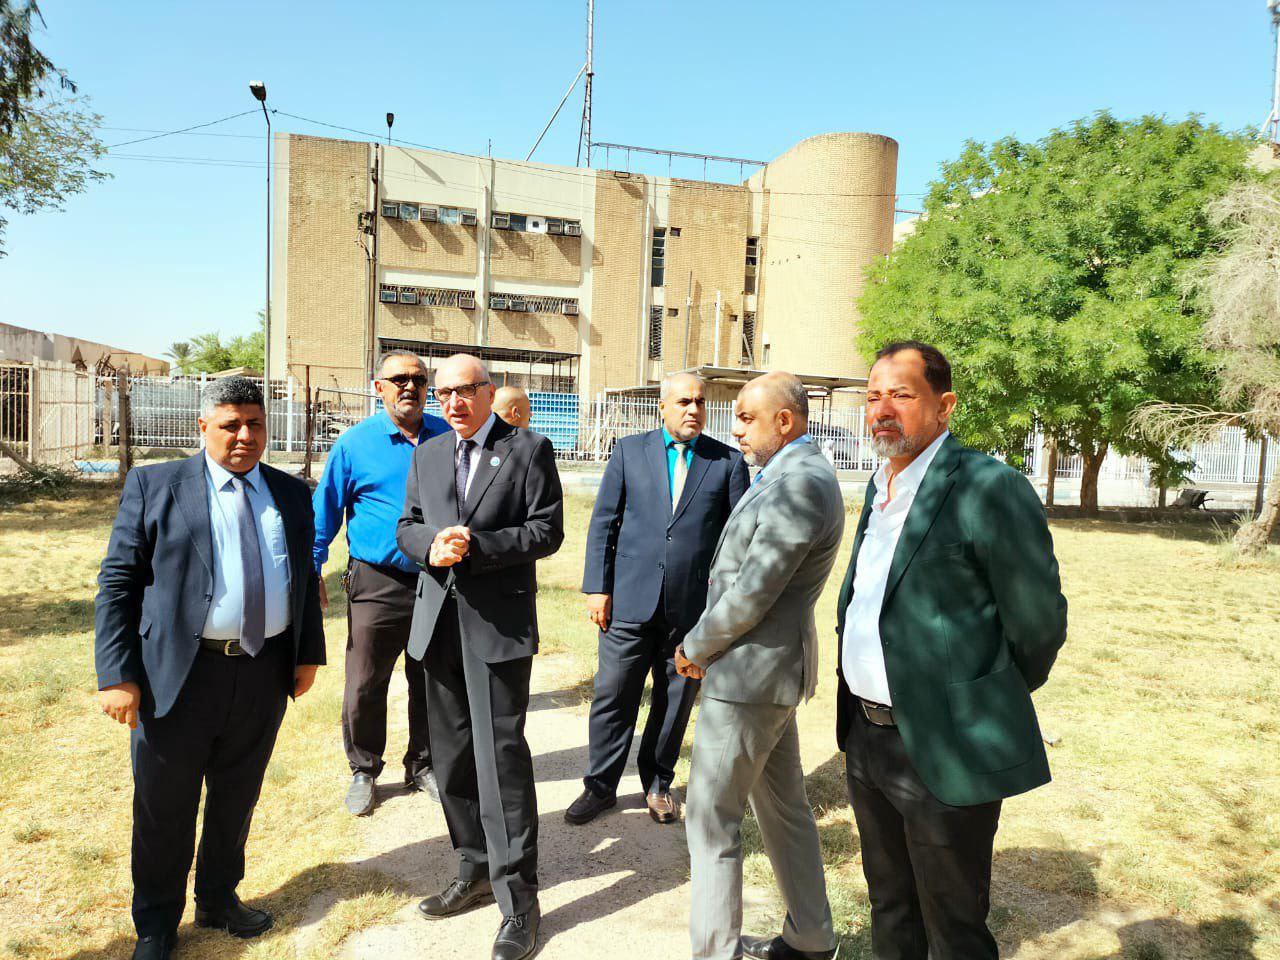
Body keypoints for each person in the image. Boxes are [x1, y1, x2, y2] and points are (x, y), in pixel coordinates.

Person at [835, 341, 1068, 960]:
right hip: (866, 734)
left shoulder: (987, 487)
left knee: (955, 924)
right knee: (889, 905)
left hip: (944, 740)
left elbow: (1038, 620)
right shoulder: (878, 484)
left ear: (944, 406)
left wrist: (982, 691)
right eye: (873, 396)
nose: (883, 409)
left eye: (902, 395)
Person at [95, 376, 325, 960]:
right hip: (176, 675)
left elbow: (302, 580)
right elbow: (117, 585)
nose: (244, 436)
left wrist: (305, 653)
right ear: (204, 427)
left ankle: (219, 898)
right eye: (230, 425)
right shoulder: (156, 485)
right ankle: (155, 924)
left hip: (261, 670)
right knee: (164, 805)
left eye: (255, 424)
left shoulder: (291, 493)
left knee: (236, 795)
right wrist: (116, 674)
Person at [396, 354, 564, 960]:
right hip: (437, 623)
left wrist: (479, 546)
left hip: (495, 627)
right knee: (452, 756)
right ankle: (472, 865)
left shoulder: (527, 449)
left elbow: (547, 531)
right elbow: (407, 525)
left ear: (488, 391)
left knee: (501, 762)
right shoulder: (430, 453)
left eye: (465, 391)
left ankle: (518, 901)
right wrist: (429, 545)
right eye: (444, 394)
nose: (453, 403)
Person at [677, 372, 843, 960]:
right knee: (783, 811)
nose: (735, 428)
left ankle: (715, 951)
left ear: (786, 420)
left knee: (710, 819)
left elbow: (753, 590)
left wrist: (695, 647)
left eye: (747, 417)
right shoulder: (794, 473)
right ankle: (811, 937)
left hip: (749, 678)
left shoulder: (802, 483)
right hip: (763, 677)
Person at [569, 372, 748, 826]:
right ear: (663, 407)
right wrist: (597, 587)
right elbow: (604, 523)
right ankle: (600, 786)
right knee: (613, 695)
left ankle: (657, 784)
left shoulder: (725, 461)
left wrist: (720, 610)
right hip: (628, 602)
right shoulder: (630, 452)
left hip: (690, 613)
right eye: (684, 401)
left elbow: (737, 540)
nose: (694, 409)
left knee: (675, 700)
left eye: (700, 402)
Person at [313, 350, 449, 816]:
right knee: (366, 681)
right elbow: (324, 513)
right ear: (379, 387)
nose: (409, 386)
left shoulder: (447, 437)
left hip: (436, 580)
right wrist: (312, 567)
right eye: (398, 379)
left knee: (430, 678)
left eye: (418, 378)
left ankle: (424, 764)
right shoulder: (355, 444)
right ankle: (364, 770)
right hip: (376, 580)